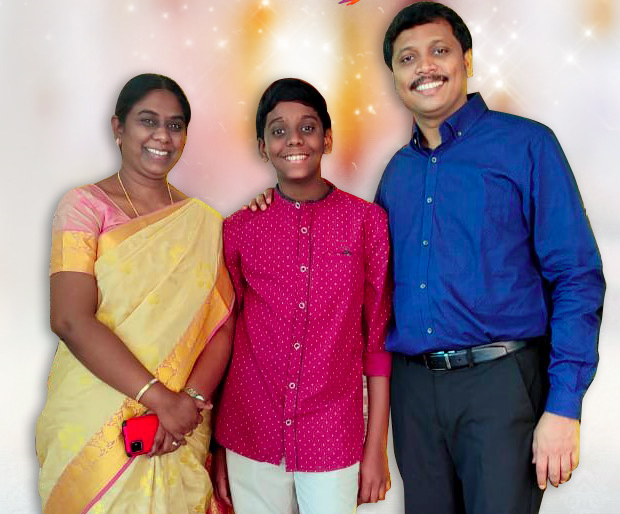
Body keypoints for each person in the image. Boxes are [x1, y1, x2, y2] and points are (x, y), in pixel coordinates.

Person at [248, 3, 605, 513]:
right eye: (407, 58)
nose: (425, 67)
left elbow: (576, 277)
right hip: (414, 392)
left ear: (467, 60)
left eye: (439, 50)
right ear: (394, 76)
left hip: (500, 385)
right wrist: (278, 208)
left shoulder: (526, 146)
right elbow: (359, 276)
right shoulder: (398, 173)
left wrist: (564, 406)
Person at [36, 73, 235, 514]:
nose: (162, 135)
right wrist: (159, 399)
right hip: (94, 420)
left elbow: (221, 325)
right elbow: (69, 318)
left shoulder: (204, 222)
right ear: (118, 127)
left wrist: (188, 404)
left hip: (179, 426)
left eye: (175, 125)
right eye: (148, 121)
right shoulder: (83, 207)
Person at [212, 78, 392, 514]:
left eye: (307, 128)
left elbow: (377, 341)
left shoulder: (366, 222)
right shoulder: (239, 229)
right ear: (263, 147)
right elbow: (223, 334)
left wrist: (376, 448)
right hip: (250, 429)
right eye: (278, 130)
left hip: (332, 431)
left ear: (327, 139)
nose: (294, 139)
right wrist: (217, 444)